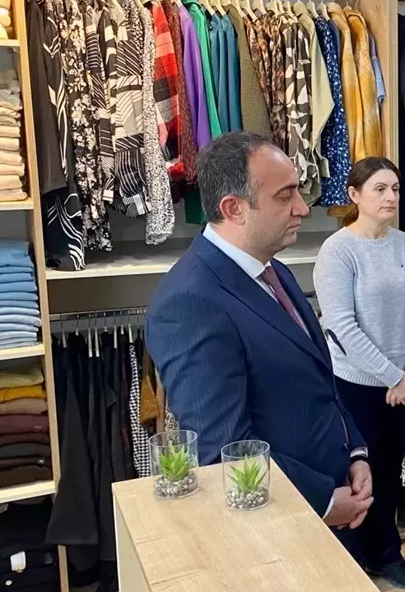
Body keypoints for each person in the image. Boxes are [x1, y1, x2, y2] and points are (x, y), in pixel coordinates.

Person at [146, 133, 373, 537]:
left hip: (334, 497)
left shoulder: (271, 268)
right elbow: (224, 451)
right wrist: (322, 501)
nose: (303, 208)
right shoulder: (190, 303)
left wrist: (354, 451)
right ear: (233, 208)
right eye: (285, 196)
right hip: (281, 527)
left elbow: (318, 383)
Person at [312, 157, 405, 590]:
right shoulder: (338, 250)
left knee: (391, 468)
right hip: (356, 385)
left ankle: (386, 553)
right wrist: (392, 376)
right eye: (379, 189)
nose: (390, 197)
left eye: (395, 188)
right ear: (354, 194)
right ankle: (351, 559)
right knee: (357, 472)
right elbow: (341, 327)